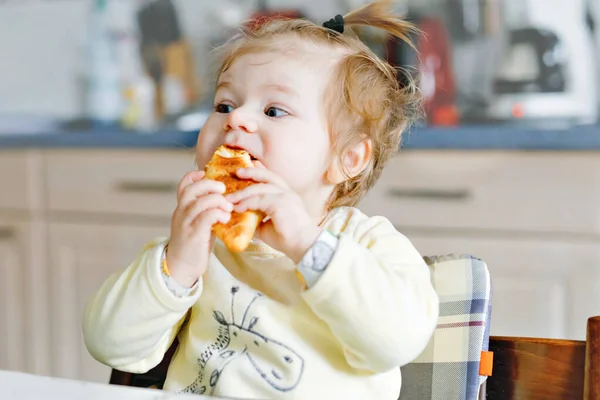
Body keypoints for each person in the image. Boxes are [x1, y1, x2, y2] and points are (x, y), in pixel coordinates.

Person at [82, 2, 439, 399]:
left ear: (347, 159)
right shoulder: (200, 247)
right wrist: (178, 264)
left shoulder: (370, 247)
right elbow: (110, 345)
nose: (236, 120)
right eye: (224, 105)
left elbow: (395, 341)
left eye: (273, 110)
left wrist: (307, 244)